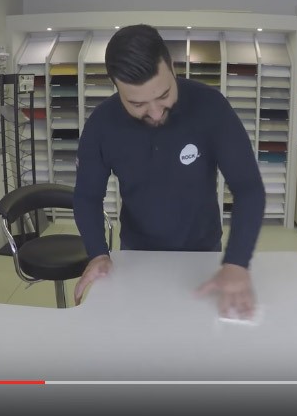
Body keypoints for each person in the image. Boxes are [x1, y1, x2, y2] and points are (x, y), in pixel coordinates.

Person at [73, 24, 265, 318]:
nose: (155, 112)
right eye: (137, 103)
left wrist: (237, 262)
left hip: (203, 251)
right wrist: (97, 253)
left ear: (172, 67)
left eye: (163, 96)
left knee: (199, 335)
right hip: (137, 253)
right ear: (115, 85)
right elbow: (87, 195)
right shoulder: (101, 125)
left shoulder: (211, 107)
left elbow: (248, 187)